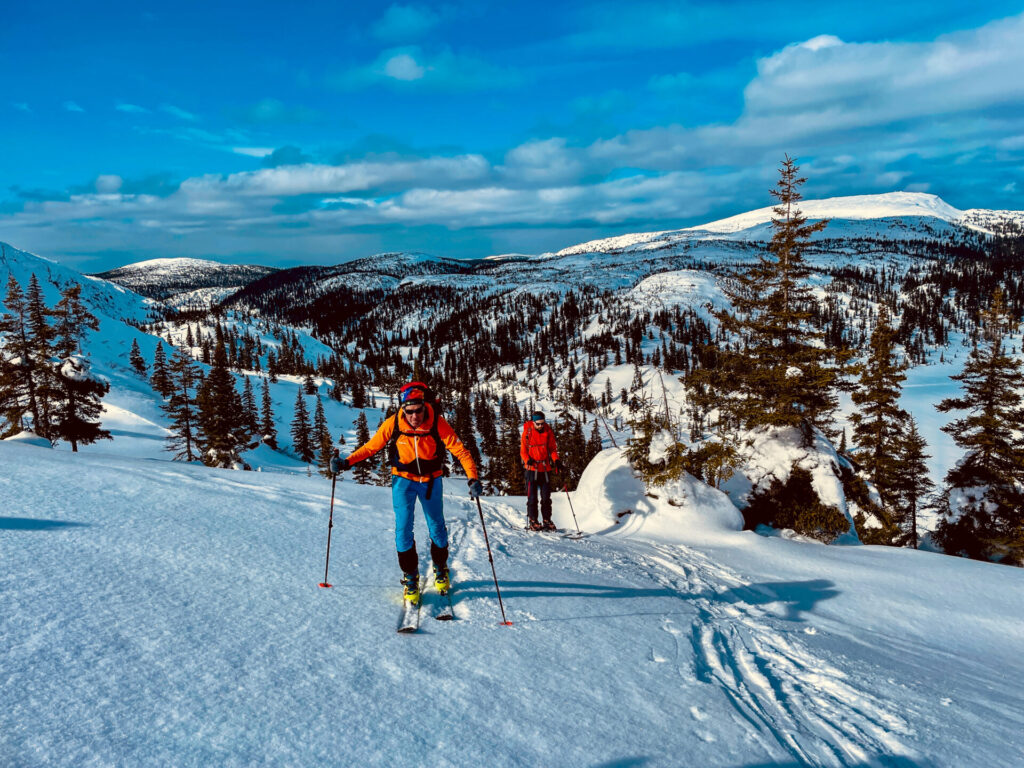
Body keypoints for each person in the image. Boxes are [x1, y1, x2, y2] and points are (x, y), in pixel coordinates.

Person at [332, 382, 482, 605]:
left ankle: (440, 568)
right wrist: (346, 462)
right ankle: (410, 577)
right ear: (403, 408)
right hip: (403, 481)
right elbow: (371, 447)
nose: (414, 416)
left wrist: (473, 477)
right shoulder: (393, 423)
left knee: (437, 528)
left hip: (431, 481)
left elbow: (460, 450)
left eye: (418, 410)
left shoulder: (437, 422)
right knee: (403, 529)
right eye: (409, 411)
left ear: (425, 406)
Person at [520, 410, 564, 531]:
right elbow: (523, 450)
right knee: (532, 497)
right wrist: (527, 459)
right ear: (533, 422)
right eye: (538, 424)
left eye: (542, 423)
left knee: (546, 497)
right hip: (531, 468)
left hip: (545, 468)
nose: (540, 426)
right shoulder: (527, 432)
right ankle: (533, 520)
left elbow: (553, 449)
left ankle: (546, 520)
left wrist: (556, 460)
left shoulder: (548, 431)